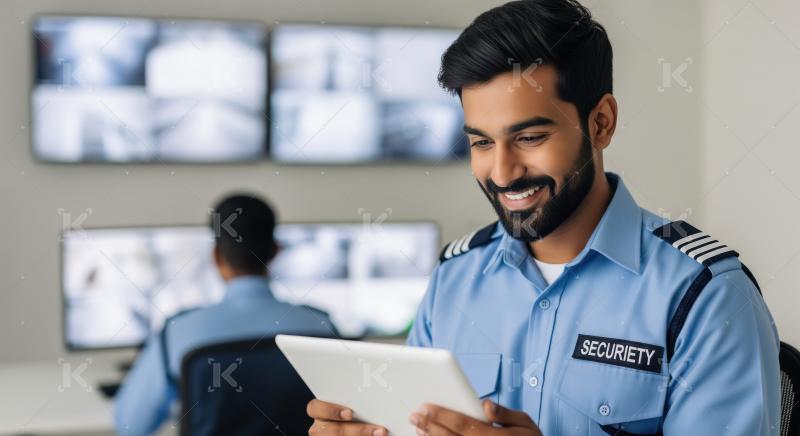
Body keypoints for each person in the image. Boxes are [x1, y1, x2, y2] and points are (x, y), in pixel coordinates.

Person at [305, 0, 781, 435]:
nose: (503, 172)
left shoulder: (707, 295)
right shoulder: (454, 279)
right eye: (481, 143)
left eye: (529, 138)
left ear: (601, 123)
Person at [115, 194, 335, 435]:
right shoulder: (322, 327)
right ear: (275, 251)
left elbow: (129, 426)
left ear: (216, 256)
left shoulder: (179, 331)